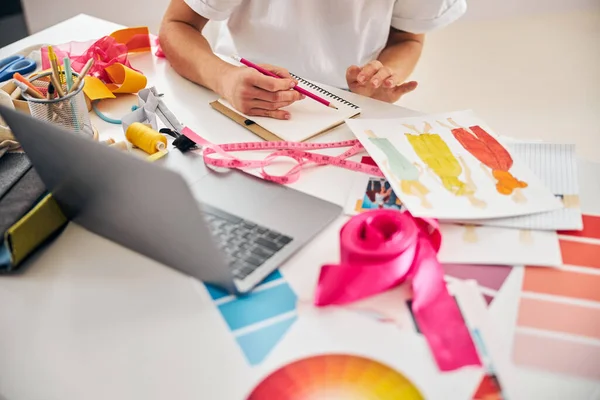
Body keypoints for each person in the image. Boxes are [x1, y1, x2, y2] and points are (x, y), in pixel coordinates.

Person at [159, 0, 468, 120]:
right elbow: (177, 26)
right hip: (238, 102)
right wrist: (224, 78)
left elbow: (408, 37)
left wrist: (384, 77)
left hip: (352, 112)